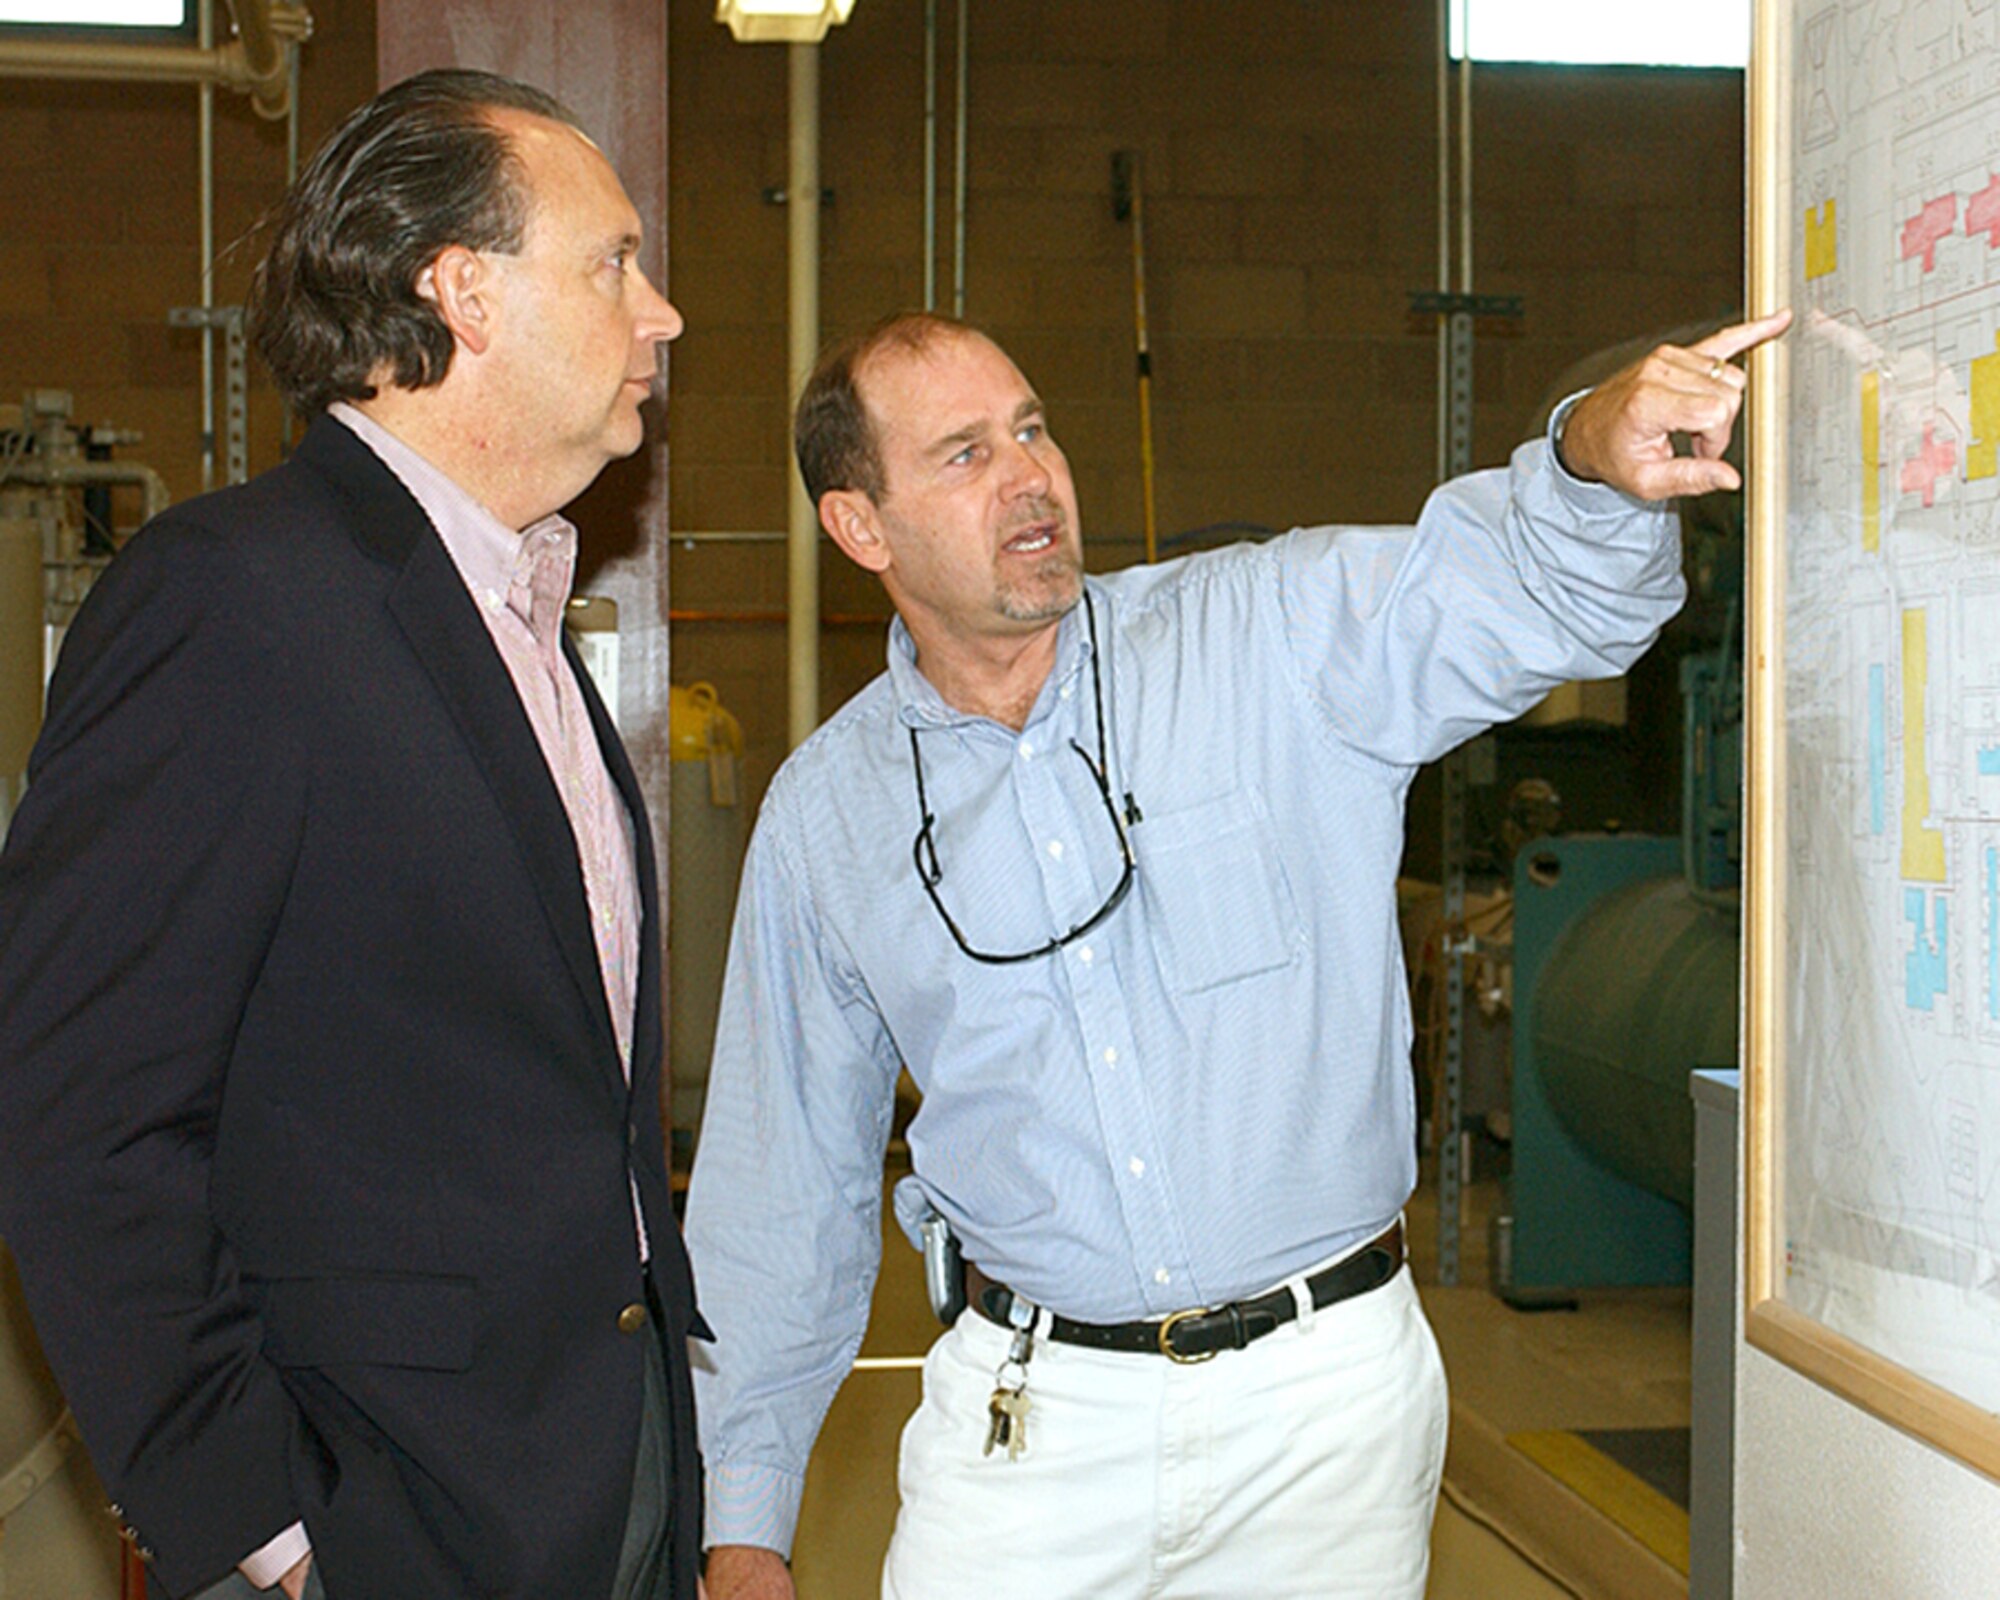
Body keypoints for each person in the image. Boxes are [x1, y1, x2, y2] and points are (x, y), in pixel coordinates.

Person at [684, 304, 1790, 1599]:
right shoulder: (830, 815)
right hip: (1036, 1423)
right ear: (860, 526)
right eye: (965, 455)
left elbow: (1533, 600)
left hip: (1322, 1414)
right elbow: (782, 1181)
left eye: (1033, 429)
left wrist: (1590, 467)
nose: (1031, 477)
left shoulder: (1260, 637)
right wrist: (742, 1516)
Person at [0, 69, 705, 1600]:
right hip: (390, 1509)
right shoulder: (230, 602)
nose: (658, 314)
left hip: (602, 1482)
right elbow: (81, 1121)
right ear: (461, 290)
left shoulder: (519, 617)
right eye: (611, 262)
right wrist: (273, 1530)